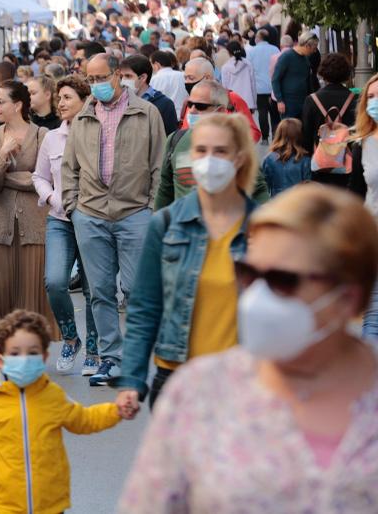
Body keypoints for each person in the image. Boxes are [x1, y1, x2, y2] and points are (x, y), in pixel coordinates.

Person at [118, 185, 378, 513]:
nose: (258, 296)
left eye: (283, 280)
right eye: (249, 273)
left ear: (347, 297)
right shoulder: (197, 392)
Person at [116, 114, 259, 409]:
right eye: (201, 150)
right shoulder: (166, 224)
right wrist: (132, 380)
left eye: (220, 151)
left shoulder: (263, 227)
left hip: (244, 385)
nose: (209, 160)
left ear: (240, 158)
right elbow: (144, 307)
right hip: (178, 382)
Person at [62, 53, 166, 385]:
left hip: (135, 213)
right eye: (90, 80)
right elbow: (69, 168)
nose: (95, 86)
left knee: (136, 288)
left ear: (118, 75)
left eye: (101, 78)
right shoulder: (83, 117)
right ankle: (111, 356)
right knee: (101, 291)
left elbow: (158, 166)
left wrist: (151, 209)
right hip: (90, 215)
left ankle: (136, 356)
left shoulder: (146, 113)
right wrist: (73, 208)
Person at [0, 310, 130, 513]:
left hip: (51, 504)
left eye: (32, 352)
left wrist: (116, 410)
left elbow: (84, 420)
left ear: (44, 357)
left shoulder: (53, 396)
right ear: (0, 360)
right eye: (15, 353)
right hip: (7, 505)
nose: (24, 359)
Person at [0, 80, 56, 341]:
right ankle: (6, 349)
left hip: (35, 228)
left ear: (18, 104)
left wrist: (11, 178)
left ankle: (32, 348)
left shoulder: (42, 135)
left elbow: (46, 180)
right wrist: (3, 155)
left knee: (33, 294)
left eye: (1, 101)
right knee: (0, 290)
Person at [34, 75, 99, 375]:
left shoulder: (99, 132)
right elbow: (40, 176)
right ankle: (71, 337)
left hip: (94, 219)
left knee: (94, 288)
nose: (60, 103)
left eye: (67, 97)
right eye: (59, 97)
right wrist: (51, 199)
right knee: (55, 282)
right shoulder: (52, 137)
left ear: (85, 101)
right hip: (60, 220)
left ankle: (95, 350)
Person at [157, 79, 270, 209]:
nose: (192, 110)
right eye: (190, 104)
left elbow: (259, 189)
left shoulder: (237, 143)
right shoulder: (175, 140)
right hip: (185, 225)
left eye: (200, 106)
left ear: (221, 111)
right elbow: (165, 188)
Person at [348, 73, 378, 338]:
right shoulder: (362, 144)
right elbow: (355, 195)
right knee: (374, 319)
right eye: (370, 97)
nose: (374, 102)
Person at [301, 53, 357, 186]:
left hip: (321, 164)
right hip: (348, 164)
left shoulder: (311, 100)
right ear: (346, 74)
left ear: (323, 73)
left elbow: (306, 136)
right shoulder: (354, 99)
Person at [181, 58, 262, 142]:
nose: (187, 82)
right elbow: (185, 132)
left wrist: (230, 144)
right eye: (185, 78)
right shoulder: (191, 101)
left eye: (191, 78)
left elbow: (253, 133)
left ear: (207, 78)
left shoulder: (231, 98)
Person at [120, 55, 179, 135]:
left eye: (128, 76)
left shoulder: (164, 104)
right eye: (121, 76)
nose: (123, 81)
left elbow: (170, 138)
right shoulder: (121, 101)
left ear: (143, 77)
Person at [272, 31, 318, 120]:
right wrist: (279, 100)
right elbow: (275, 79)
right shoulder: (286, 57)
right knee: (290, 131)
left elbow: (308, 82)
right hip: (288, 104)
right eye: (314, 48)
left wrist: (312, 99)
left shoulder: (306, 59)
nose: (315, 51)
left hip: (303, 103)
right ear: (307, 46)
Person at [261, 118, 312, 197]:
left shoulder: (269, 159)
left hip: (277, 203)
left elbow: (264, 187)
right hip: (298, 203)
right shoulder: (305, 160)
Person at [247, 29, 280, 141]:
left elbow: (249, 69)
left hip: (259, 87)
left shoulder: (252, 51)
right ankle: (275, 136)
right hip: (273, 87)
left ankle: (265, 137)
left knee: (262, 112)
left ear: (258, 38)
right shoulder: (275, 49)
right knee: (274, 114)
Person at [220, 40, 257, 116]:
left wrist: (226, 104)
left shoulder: (225, 67)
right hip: (247, 102)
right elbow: (253, 85)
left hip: (233, 102)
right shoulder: (248, 64)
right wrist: (254, 103)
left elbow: (225, 88)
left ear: (229, 52)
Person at [149, 50, 187, 117]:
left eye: (151, 64)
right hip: (183, 115)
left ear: (157, 64)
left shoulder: (155, 79)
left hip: (165, 116)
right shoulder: (183, 75)